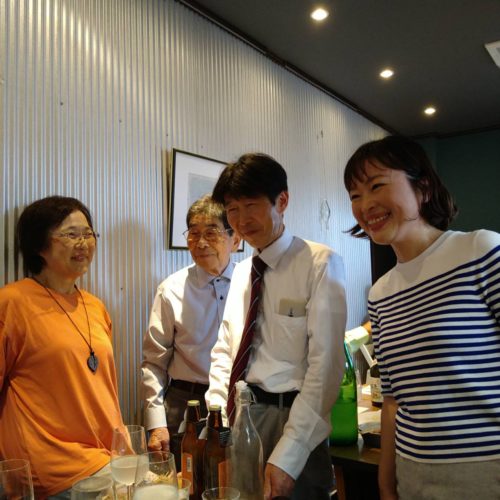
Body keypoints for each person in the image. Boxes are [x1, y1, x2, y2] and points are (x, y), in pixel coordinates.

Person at [344, 135, 500, 500]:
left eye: (376, 186)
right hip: (413, 474)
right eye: (354, 195)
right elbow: (393, 400)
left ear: (423, 188)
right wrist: (386, 484)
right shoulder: (380, 294)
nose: (365, 205)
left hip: (486, 469)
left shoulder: (480, 251)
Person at [207, 153, 347, 500]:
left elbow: (326, 368)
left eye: (251, 205)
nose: (241, 219)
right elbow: (225, 349)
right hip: (243, 416)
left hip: (294, 419)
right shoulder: (242, 271)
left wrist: (290, 453)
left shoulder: (319, 263)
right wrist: (219, 415)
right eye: (232, 209)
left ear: (281, 201)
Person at [0, 196, 124, 499]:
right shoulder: (11, 303)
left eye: (88, 234)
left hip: (107, 457)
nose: (83, 243)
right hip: (54, 466)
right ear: (38, 245)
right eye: (70, 234)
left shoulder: (95, 306)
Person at [141, 195, 240, 452]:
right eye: (194, 233)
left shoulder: (250, 284)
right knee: (185, 475)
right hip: (186, 403)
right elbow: (154, 363)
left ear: (236, 239)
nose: (201, 242)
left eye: (212, 232)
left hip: (240, 401)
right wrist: (156, 424)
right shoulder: (170, 290)